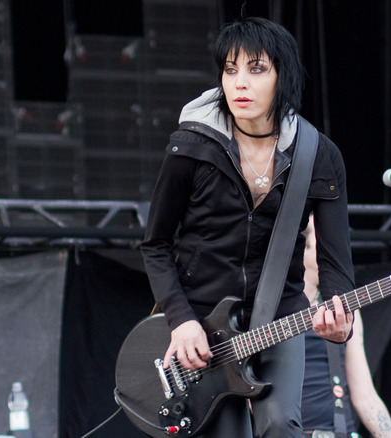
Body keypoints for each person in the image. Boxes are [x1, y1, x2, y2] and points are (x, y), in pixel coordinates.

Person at [140, 17, 355, 437]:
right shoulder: (192, 146)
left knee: (280, 424)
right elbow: (156, 244)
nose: (240, 83)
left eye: (256, 69)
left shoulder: (318, 156)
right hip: (202, 323)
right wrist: (181, 320)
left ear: (282, 76)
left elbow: (334, 258)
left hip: (279, 318)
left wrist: (339, 311)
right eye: (230, 69)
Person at [301, 216, 391, 438]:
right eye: (325, 243)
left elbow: (365, 395)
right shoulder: (267, 309)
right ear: (302, 248)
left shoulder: (344, 309)